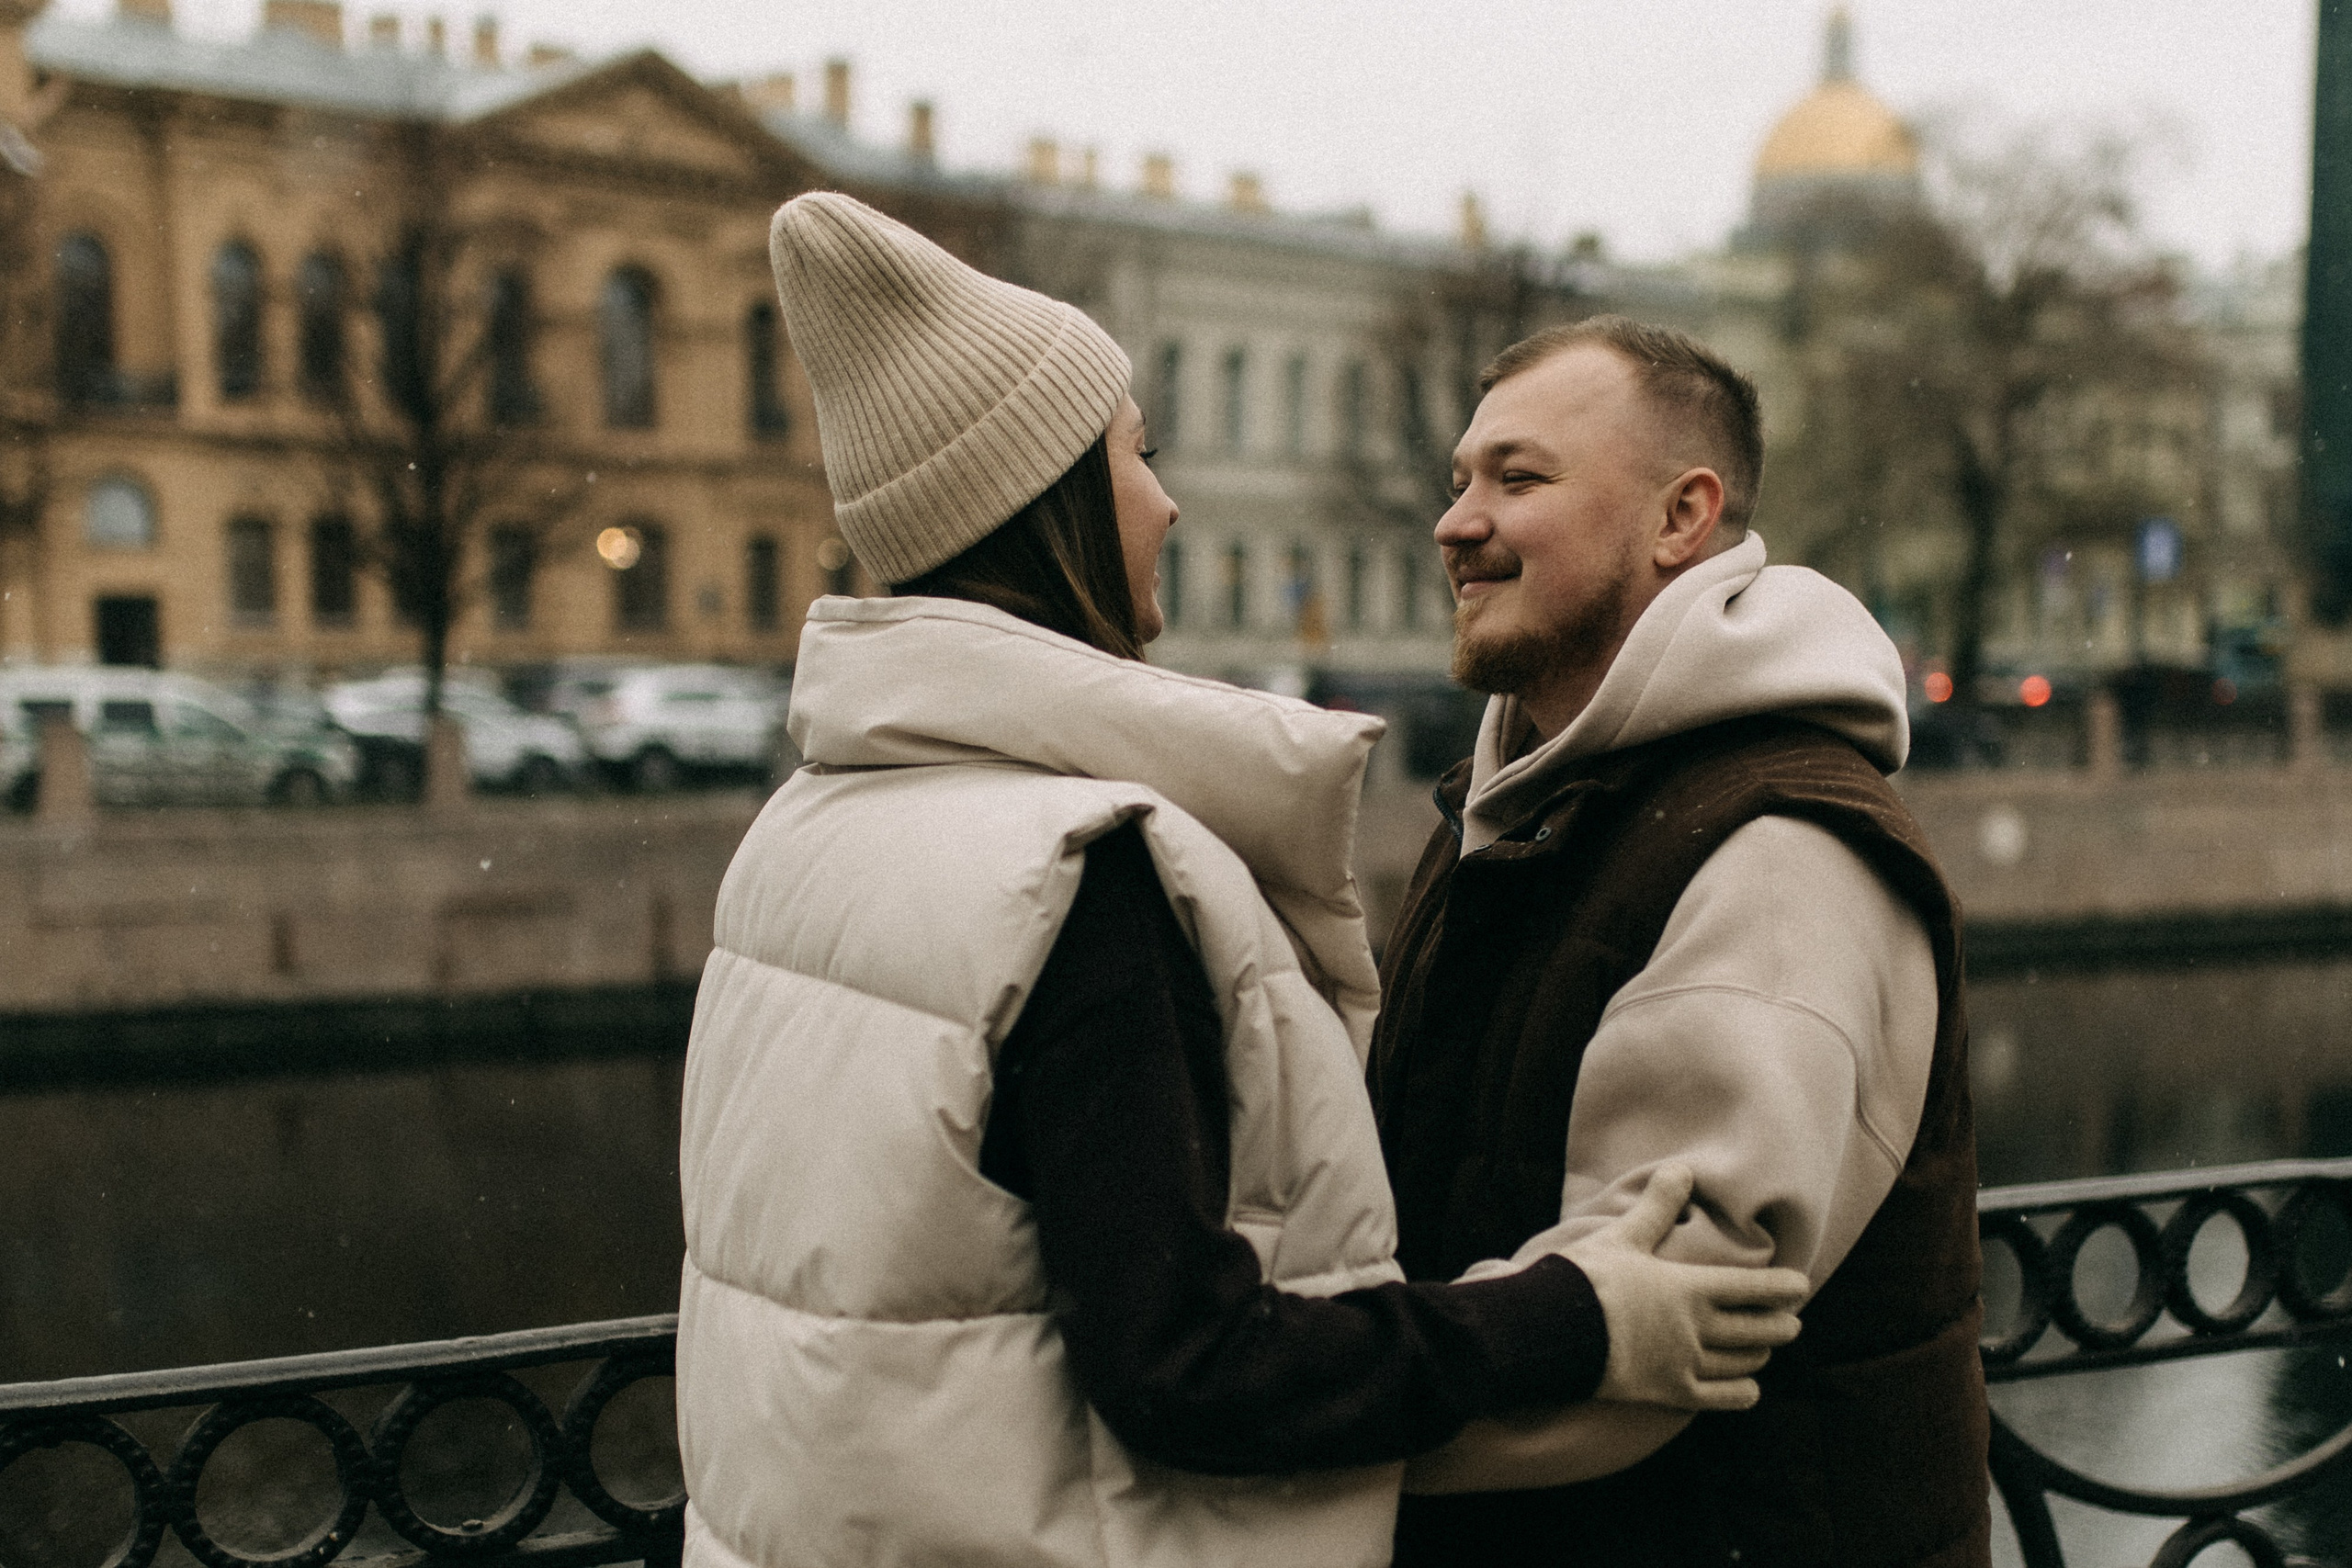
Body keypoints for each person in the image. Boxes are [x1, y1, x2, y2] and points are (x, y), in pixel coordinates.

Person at [673, 197, 1808, 1568]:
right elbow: (1192, 1364)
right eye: (1137, 454)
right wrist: (1580, 1317)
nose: (1166, 499)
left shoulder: (803, 835)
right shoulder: (1072, 871)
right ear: (1055, 507)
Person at [1369, 316, 1991, 1567]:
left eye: (1518, 478)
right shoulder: (1513, 812)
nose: (1456, 522)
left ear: (1680, 519)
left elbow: (1663, 1329)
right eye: (1459, 482)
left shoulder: (1776, 844)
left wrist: (1279, 1417)